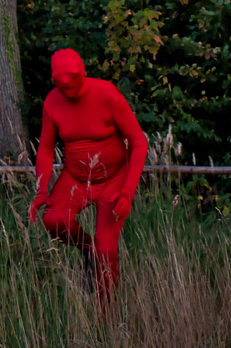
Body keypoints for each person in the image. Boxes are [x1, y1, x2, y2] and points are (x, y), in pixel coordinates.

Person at [28, 48, 148, 307]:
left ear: (82, 72)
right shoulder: (52, 101)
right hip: (76, 178)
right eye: (59, 81)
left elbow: (139, 142)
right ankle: (86, 249)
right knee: (54, 221)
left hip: (114, 178)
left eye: (71, 79)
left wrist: (127, 191)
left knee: (107, 249)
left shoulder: (107, 95)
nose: (65, 86)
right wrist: (41, 190)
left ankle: (105, 321)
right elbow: (47, 149)